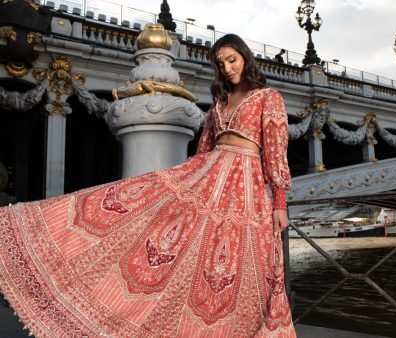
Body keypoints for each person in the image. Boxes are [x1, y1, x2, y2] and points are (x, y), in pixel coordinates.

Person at [0, 34, 296, 337]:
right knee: (150, 222)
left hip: (246, 189)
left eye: (232, 60)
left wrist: (280, 203)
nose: (228, 68)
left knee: (240, 266)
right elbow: (205, 150)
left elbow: (275, 153)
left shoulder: (267, 97)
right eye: (221, 64)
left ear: (245, 57)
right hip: (209, 177)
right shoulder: (220, 101)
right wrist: (188, 183)